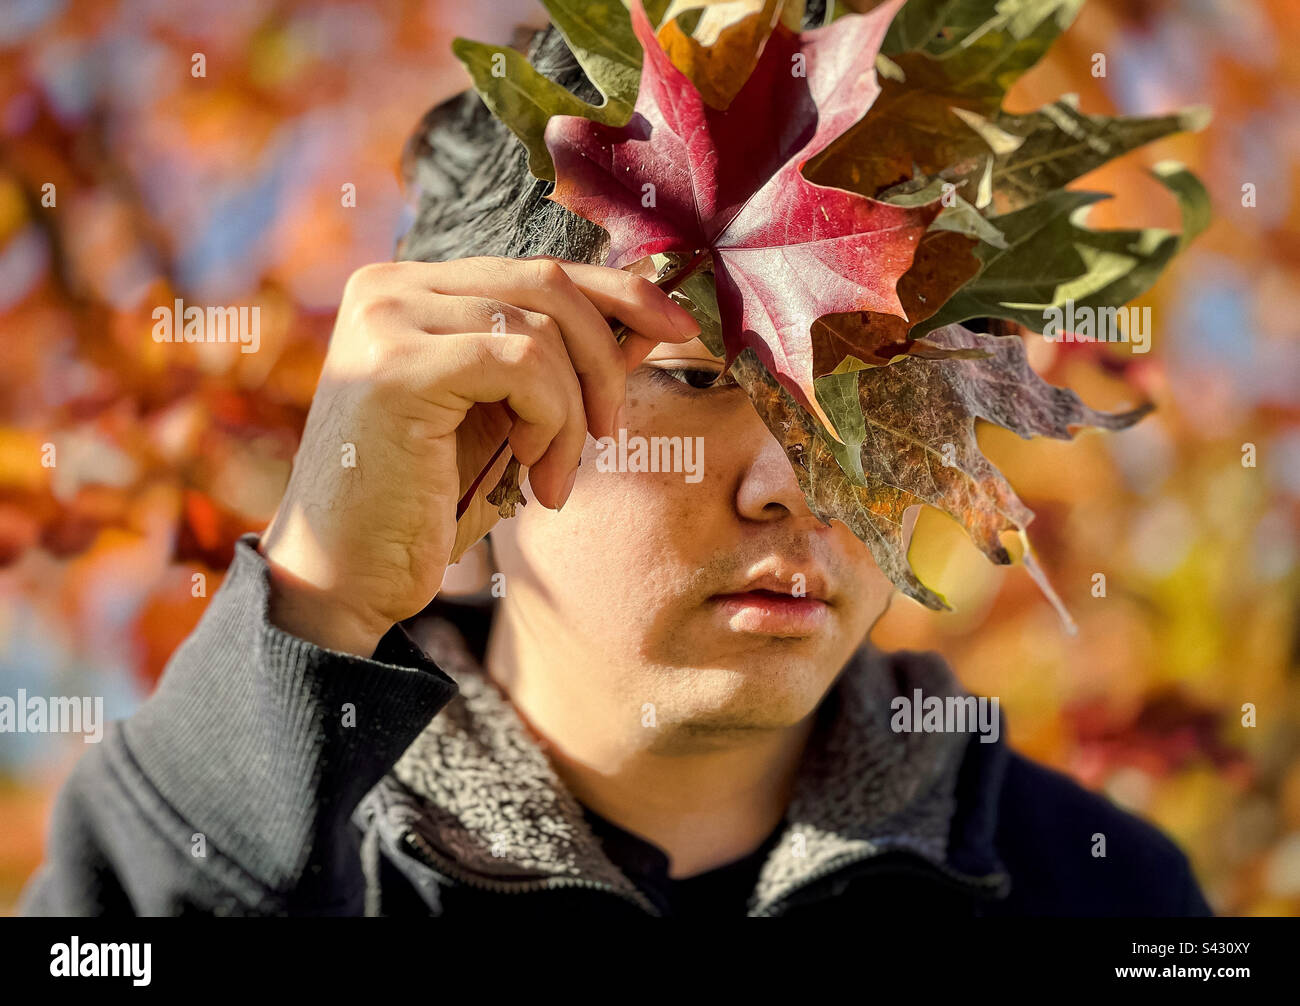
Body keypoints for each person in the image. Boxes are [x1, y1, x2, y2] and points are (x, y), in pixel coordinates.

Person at [19, 2, 1211, 918]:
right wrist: (317, 597)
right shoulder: (281, 847)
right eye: (696, 382)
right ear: (488, 395)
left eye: (869, 394)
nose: (788, 482)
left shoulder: (1098, 889)